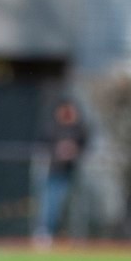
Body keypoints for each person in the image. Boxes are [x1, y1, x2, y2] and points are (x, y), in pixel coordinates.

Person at [35, 97, 86, 246]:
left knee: (75, 208)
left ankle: (75, 236)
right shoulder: (53, 127)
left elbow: (84, 142)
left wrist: (73, 149)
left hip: (73, 172)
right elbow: (44, 144)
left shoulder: (78, 128)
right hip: (54, 172)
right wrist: (59, 150)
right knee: (51, 205)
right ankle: (45, 233)